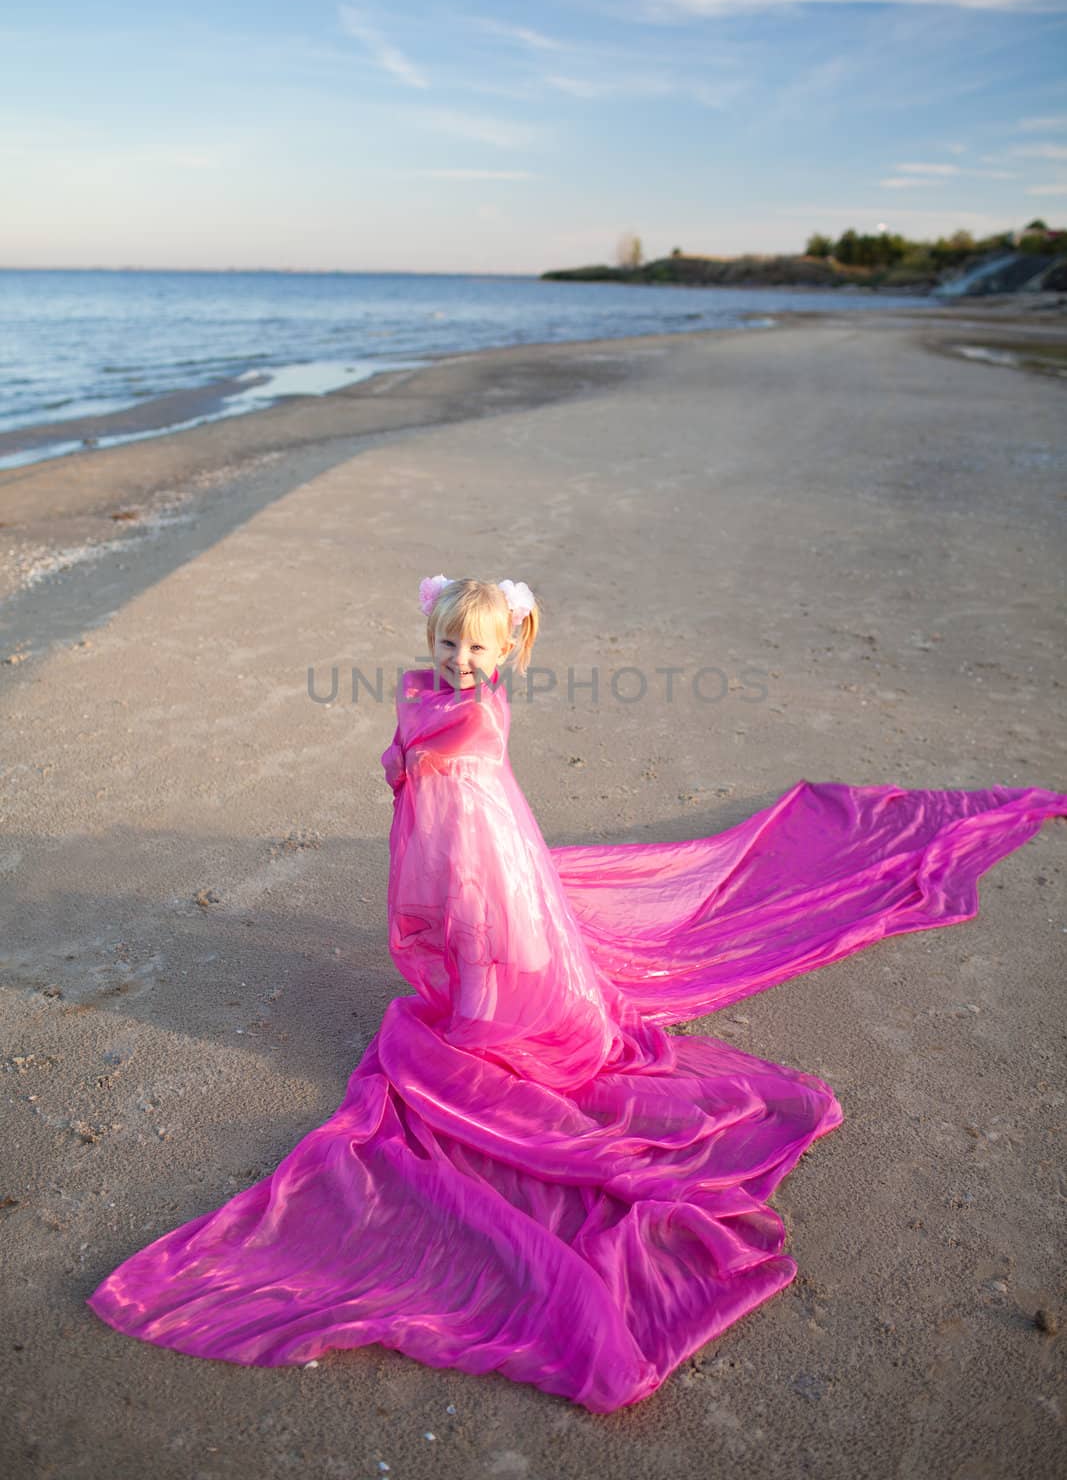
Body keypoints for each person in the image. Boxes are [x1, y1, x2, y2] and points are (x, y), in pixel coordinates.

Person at [86, 573, 1067, 1414]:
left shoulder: (469, 704)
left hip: (481, 855)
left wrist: (417, 733)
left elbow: (427, 740)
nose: (459, 659)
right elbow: (407, 737)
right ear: (428, 635)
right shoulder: (430, 687)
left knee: (488, 938)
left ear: (505, 649)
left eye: (478, 645)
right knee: (458, 927)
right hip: (444, 842)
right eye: (446, 642)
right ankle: (478, 1005)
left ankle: (486, 1027)